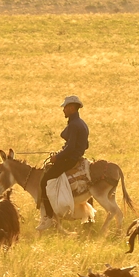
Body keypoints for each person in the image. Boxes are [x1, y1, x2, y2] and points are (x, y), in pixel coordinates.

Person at [37, 95, 88, 231]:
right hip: (74, 158)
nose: (63, 110)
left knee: (45, 181)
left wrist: (57, 157)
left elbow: (71, 148)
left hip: (69, 161)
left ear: (71, 108)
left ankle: (48, 216)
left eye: (65, 107)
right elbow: (84, 145)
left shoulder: (73, 125)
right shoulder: (81, 124)